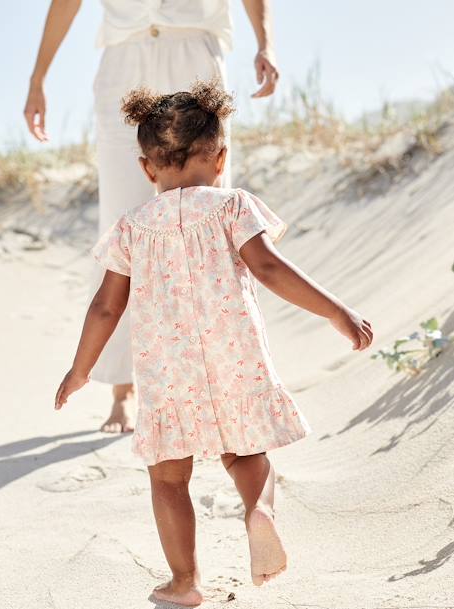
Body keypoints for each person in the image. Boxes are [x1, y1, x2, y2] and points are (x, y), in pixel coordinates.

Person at [54, 79, 373, 606]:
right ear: (221, 158)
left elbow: (106, 306)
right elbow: (270, 268)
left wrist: (81, 369)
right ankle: (260, 512)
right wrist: (337, 311)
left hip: (166, 373)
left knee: (169, 479)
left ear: (146, 167)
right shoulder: (232, 207)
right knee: (246, 452)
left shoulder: (132, 228)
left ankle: (184, 582)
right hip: (235, 357)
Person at [25, 0, 280, 434]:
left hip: (195, 50)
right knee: (122, 224)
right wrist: (38, 77)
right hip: (125, 59)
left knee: (214, 225)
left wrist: (266, 43)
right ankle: (122, 388)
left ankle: (227, 380)